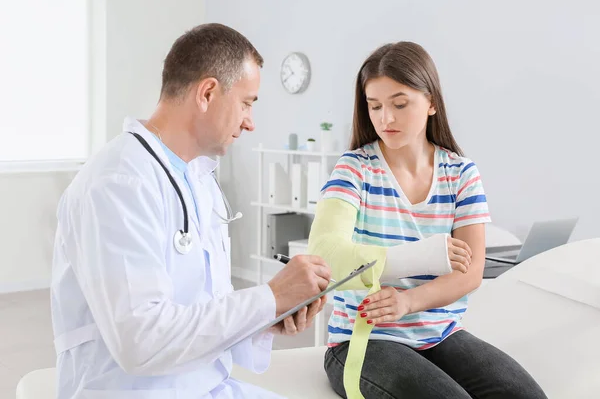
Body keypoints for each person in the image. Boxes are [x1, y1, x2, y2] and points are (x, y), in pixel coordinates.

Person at [50, 23, 331, 399]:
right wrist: (269, 297)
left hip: (205, 385)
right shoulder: (117, 182)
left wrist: (266, 320)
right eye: (247, 103)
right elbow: (142, 341)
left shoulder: (199, 179)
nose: (250, 122)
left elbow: (202, 309)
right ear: (208, 93)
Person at [307, 42, 547, 398]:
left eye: (399, 104)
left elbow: (470, 271)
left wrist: (408, 301)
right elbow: (325, 253)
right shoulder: (354, 169)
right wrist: (423, 256)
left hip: (440, 333)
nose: (385, 118)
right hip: (364, 340)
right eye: (375, 106)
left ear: (431, 102)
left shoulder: (460, 172)